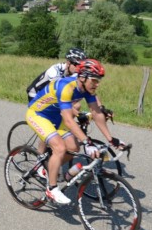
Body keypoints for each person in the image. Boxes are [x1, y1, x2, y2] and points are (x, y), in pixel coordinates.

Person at [25, 59, 127, 205]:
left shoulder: (86, 89)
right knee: (60, 147)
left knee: (73, 147)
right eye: (94, 80)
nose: (97, 84)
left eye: (98, 81)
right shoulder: (66, 87)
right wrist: (87, 142)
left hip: (55, 117)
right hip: (38, 115)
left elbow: (96, 113)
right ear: (83, 77)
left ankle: (49, 166)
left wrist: (111, 139)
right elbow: (68, 120)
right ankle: (51, 189)